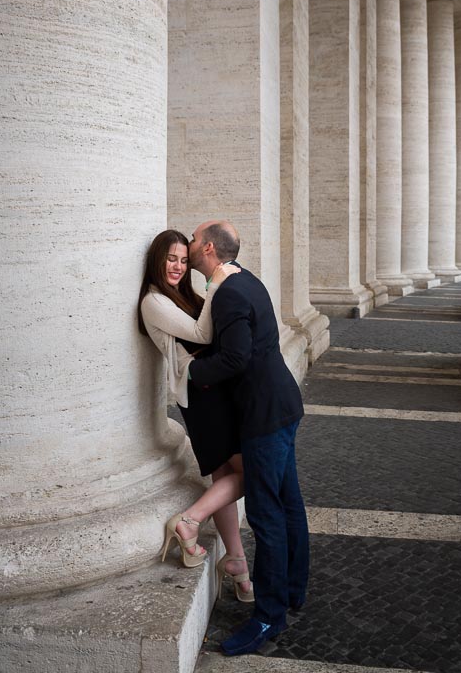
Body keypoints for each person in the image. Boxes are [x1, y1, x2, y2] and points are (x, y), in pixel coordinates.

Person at [187, 220, 309, 656]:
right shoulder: (243, 279)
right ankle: (294, 591)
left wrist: (190, 372)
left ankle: (268, 616)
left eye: (193, 240)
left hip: (263, 415)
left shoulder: (231, 293)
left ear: (209, 249)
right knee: (289, 504)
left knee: (266, 514)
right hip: (282, 404)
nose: (188, 244)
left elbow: (236, 357)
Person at [138, 229, 253, 602]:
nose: (178, 266)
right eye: (171, 258)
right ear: (157, 260)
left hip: (214, 393)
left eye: (184, 260)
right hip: (202, 398)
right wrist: (218, 279)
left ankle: (237, 563)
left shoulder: (185, 295)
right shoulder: (153, 302)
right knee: (251, 472)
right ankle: (188, 522)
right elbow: (204, 334)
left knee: (225, 475)